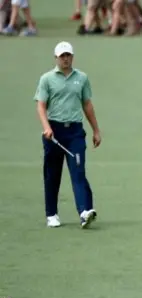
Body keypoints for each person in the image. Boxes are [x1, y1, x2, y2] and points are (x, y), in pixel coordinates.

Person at [34, 41, 101, 229]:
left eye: (68, 55)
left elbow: (87, 104)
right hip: (54, 132)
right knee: (52, 175)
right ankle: (51, 214)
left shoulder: (82, 78)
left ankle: (84, 212)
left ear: (72, 56)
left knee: (78, 171)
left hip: (75, 132)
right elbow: (41, 105)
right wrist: (46, 127)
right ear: (56, 58)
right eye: (62, 56)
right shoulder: (47, 79)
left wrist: (96, 129)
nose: (65, 59)